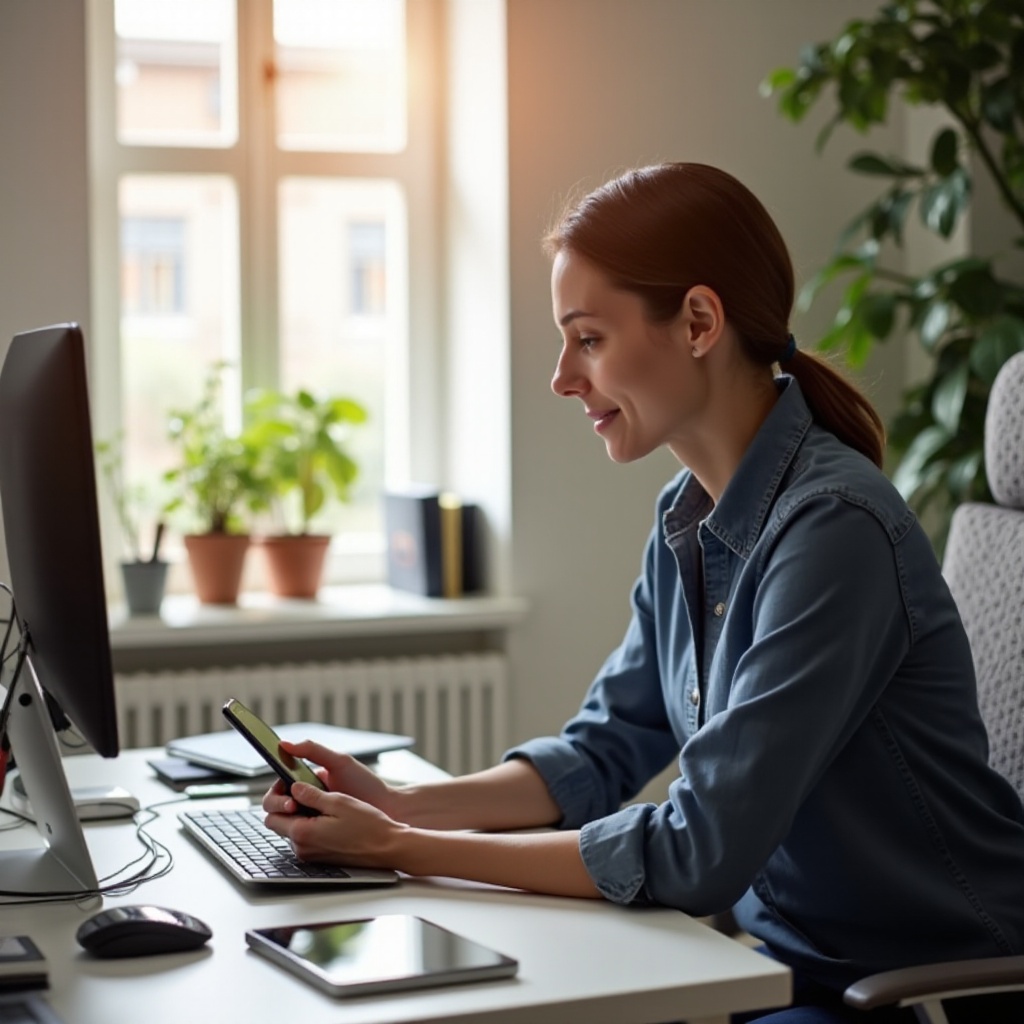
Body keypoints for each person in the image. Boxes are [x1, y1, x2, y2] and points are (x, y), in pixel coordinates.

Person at [264, 162, 1024, 1023]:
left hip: (931, 986)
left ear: (699, 321)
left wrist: (408, 849)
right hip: (792, 964)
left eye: (588, 339)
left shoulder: (834, 531)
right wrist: (393, 803)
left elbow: (700, 848)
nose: (562, 376)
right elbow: (604, 748)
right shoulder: (687, 517)